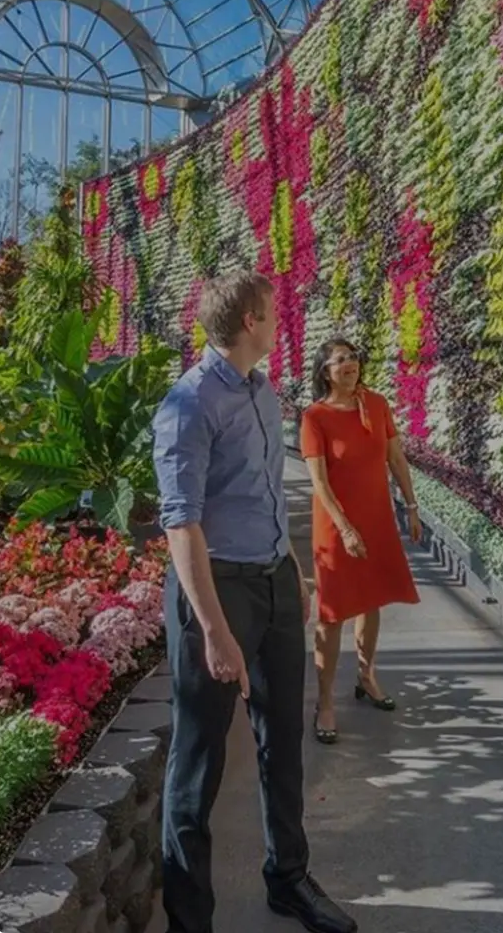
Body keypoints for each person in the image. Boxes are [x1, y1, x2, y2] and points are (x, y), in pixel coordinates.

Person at [152, 272, 358, 933]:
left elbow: (267, 493)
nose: (281, 320)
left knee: (283, 741)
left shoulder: (265, 392)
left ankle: (288, 878)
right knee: (198, 761)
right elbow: (181, 524)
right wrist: (212, 631)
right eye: (274, 312)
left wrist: (292, 568)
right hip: (215, 591)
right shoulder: (188, 404)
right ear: (249, 322)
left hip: (272, 582)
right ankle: (190, 920)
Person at [300, 335, 421, 745]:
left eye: (353, 357)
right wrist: (346, 528)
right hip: (335, 526)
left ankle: (367, 677)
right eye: (340, 360)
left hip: (377, 520)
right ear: (325, 371)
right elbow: (318, 482)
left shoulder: (377, 404)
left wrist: (411, 505)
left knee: (371, 601)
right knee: (333, 613)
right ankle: (325, 702)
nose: (350, 364)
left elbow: (396, 457)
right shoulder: (314, 417)